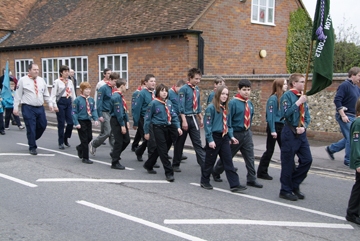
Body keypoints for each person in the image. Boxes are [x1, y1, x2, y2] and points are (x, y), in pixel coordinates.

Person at [212, 79, 263, 188]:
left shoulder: (249, 103)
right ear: (239, 90)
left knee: (250, 157)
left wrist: (249, 131)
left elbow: (251, 118)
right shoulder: (233, 103)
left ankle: (251, 178)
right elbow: (228, 121)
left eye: (248, 90)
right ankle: (216, 171)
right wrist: (230, 136)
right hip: (235, 133)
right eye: (244, 90)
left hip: (246, 133)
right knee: (228, 156)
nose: (246, 92)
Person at [200, 85, 247, 193]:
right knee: (209, 161)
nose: (225, 96)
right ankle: (204, 181)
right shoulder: (211, 108)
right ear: (218, 94)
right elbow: (208, 126)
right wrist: (210, 140)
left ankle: (235, 184)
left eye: (227, 94)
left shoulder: (226, 109)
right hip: (214, 137)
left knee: (228, 161)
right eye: (223, 94)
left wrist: (231, 137)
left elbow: (229, 125)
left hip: (224, 137)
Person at [279, 73, 312, 201]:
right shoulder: (287, 96)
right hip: (290, 132)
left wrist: (304, 126)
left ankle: (294, 184)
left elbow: (307, 115)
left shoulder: (302, 96)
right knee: (288, 163)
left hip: (301, 133)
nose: (304, 84)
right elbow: (285, 114)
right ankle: (285, 190)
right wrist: (298, 102)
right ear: (294, 83)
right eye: (302, 82)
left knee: (307, 160)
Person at [143, 84, 182, 182]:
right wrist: (146, 132)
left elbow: (173, 115)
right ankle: (169, 172)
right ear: (158, 92)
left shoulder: (169, 103)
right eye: (162, 91)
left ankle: (149, 164)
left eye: (166, 91)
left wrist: (178, 127)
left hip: (168, 127)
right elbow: (147, 118)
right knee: (163, 150)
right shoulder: (153, 103)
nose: (164, 93)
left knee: (161, 149)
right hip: (158, 127)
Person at [325, 67, 360, 166]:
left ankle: (331, 149)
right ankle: (348, 160)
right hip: (345, 116)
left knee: (349, 137)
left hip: (353, 116)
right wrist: (343, 115)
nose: (359, 78)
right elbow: (337, 100)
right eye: (359, 76)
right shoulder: (345, 85)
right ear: (352, 75)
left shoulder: (357, 88)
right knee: (351, 138)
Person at [13, 63, 50, 155]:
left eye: (37, 69)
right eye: (34, 69)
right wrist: (15, 108)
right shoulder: (22, 80)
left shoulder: (41, 80)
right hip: (28, 107)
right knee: (31, 127)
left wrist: (50, 104)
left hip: (40, 107)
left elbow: (46, 93)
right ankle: (32, 146)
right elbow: (18, 95)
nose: (36, 71)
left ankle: (32, 137)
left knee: (43, 125)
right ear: (29, 70)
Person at [172, 68, 205, 172]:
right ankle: (175, 164)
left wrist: (201, 117)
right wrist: (184, 120)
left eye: (199, 79)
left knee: (197, 143)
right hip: (184, 118)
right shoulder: (184, 89)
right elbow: (181, 105)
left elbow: (198, 104)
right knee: (180, 143)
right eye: (196, 78)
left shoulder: (197, 89)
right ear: (190, 77)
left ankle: (203, 164)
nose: (198, 81)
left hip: (193, 117)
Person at [257, 78, 288, 180]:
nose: (286, 86)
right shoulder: (273, 99)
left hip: (282, 126)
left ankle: (290, 172)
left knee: (286, 150)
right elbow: (270, 116)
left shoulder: (283, 97)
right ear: (279, 86)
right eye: (284, 84)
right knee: (270, 150)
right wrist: (273, 130)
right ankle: (262, 172)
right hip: (274, 126)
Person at [89, 71, 117, 155]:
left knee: (112, 133)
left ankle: (114, 151)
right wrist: (99, 115)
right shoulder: (103, 88)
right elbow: (99, 102)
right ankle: (93, 144)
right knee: (107, 132)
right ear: (110, 80)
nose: (116, 83)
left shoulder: (114, 89)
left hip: (112, 113)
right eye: (115, 81)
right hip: (104, 112)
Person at [49, 65, 76, 149]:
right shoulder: (57, 82)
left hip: (68, 102)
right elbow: (53, 95)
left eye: (68, 71)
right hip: (60, 102)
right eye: (65, 71)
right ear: (61, 72)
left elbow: (73, 93)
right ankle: (60, 142)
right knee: (61, 123)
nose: (67, 73)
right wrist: (54, 105)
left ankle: (65, 137)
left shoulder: (70, 81)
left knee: (71, 122)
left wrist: (75, 104)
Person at [72, 82, 99, 164]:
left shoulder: (91, 100)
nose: (88, 91)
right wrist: (76, 123)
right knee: (84, 139)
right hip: (81, 121)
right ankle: (85, 157)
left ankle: (80, 148)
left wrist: (95, 119)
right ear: (81, 90)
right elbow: (74, 112)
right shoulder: (77, 100)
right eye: (86, 89)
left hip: (88, 120)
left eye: (89, 89)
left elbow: (93, 110)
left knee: (89, 137)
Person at [132, 74, 157, 163]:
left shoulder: (155, 92)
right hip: (144, 119)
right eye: (151, 81)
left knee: (149, 139)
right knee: (150, 140)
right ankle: (151, 160)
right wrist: (135, 122)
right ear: (145, 83)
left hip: (154, 119)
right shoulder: (142, 93)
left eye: (154, 81)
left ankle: (139, 151)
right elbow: (136, 108)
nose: (153, 83)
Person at [109, 76, 130, 170]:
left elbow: (124, 110)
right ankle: (115, 162)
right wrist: (122, 125)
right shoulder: (116, 96)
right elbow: (118, 112)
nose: (126, 87)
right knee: (119, 141)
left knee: (127, 140)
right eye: (125, 85)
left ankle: (115, 154)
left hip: (122, 119)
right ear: (121, 86)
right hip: (117, 121)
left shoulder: (120, 96)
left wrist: (127, 121)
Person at [345, 97, 360, 225]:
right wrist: (358, 163)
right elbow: (356, 144)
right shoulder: (358, 123)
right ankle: (352, 213)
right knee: (359, 187)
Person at [169, 79, 187, 161]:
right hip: (172, 117)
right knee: (174, 136)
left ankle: (179, 154)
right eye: (180, 89)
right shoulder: (169, 93)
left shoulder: (182, 94)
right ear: (176, 86)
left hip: (180, 117)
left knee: (177, 136)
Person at [131, 79, 145, 152]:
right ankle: (139, 150)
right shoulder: (137, 93)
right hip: (139, 116)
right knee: (144, 135)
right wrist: (135, 119)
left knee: (139, 132)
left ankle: (134, 145)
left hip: (145, 117)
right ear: (143, 84)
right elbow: (134, 107)